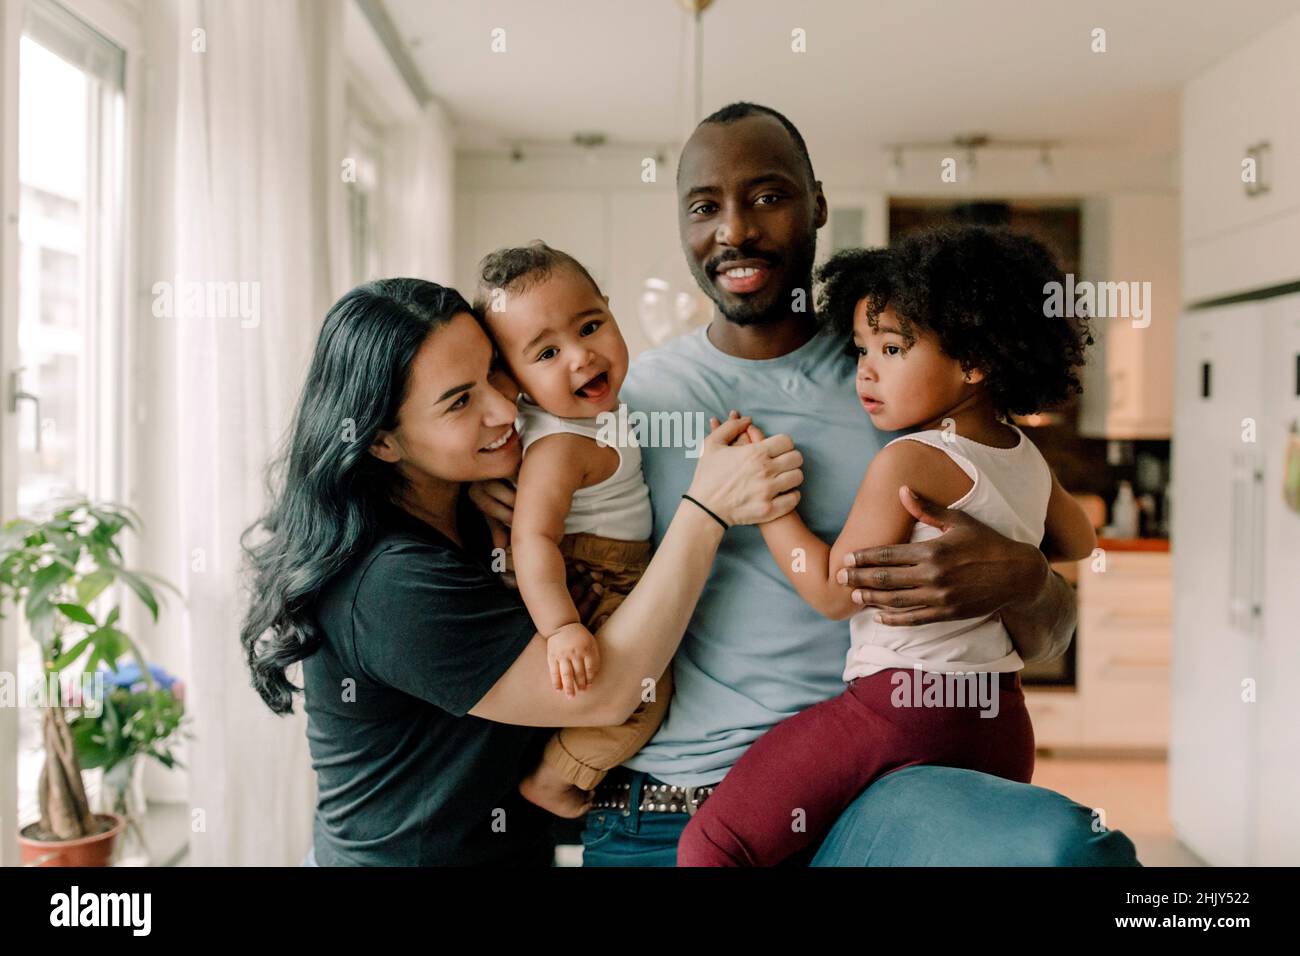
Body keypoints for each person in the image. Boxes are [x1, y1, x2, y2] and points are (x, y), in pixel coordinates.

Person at [473, 102, 1139, 866]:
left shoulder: (899, 392)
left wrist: (1026, 581)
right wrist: (504, 501)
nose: (734, 231)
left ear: (817, 203)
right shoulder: (619, 406)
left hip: (861, 814)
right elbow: (533, 540)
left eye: (767, 196)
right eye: (704, 207)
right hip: (657, 817)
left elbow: (1050, 625)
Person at [238, 277, 803, 865]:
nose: (506, 408)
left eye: (494, 371)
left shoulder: (477, 504)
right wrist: (706, 510)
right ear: (382, 443)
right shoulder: (389, 583)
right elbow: (609, 696)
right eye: (460, 401)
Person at [677, 226, 1098, 866]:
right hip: (1002, 726)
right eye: (860, 349)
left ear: (975, 361)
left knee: (713, 844)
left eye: (894, 348)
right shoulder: (1026, 457)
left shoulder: (910, 461)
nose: (866, 370)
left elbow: (830, 593)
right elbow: (1079, 538)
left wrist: (764, 501)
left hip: (898, 714)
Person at [474, 241, 673, 820]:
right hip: (597, 574)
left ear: (611, 309)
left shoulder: (595, 412)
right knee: (642, 694)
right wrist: (561, 627)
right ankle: (556, 778)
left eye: (590, 325)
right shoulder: (560, 445)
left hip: (622, 566)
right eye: (546, 353)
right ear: (511, 379)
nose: (581, 357)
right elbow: (532, 538)